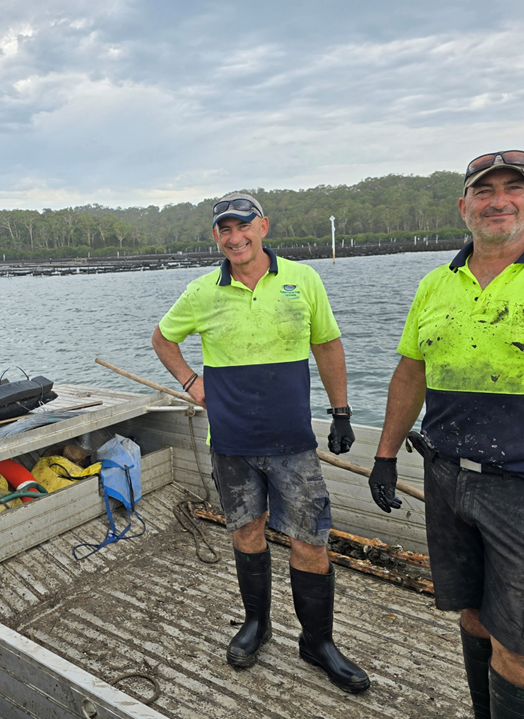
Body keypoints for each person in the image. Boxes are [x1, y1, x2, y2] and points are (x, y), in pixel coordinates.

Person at [368, 151, 524, 719]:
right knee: (471, 613)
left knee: (522, 643)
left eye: (514, 188)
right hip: (447, 479)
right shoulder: (437, 284)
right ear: (464, 207)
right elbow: (411, 372)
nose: (498, 201)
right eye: (484, 192)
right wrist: (385, 454)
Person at [151, 192, 369, 693]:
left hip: (292, 440)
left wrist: (341, 412)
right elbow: (163, 338)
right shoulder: (201, 291)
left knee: (311, 540)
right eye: (225, 230)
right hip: (231, 440)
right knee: (246, 532)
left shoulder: (303, 279)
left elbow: (327, 343)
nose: (235, 237)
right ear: (216, 237)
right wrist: (190, 382)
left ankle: (318, 642)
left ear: (263, 226)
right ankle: (258, 624)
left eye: (243, 226)